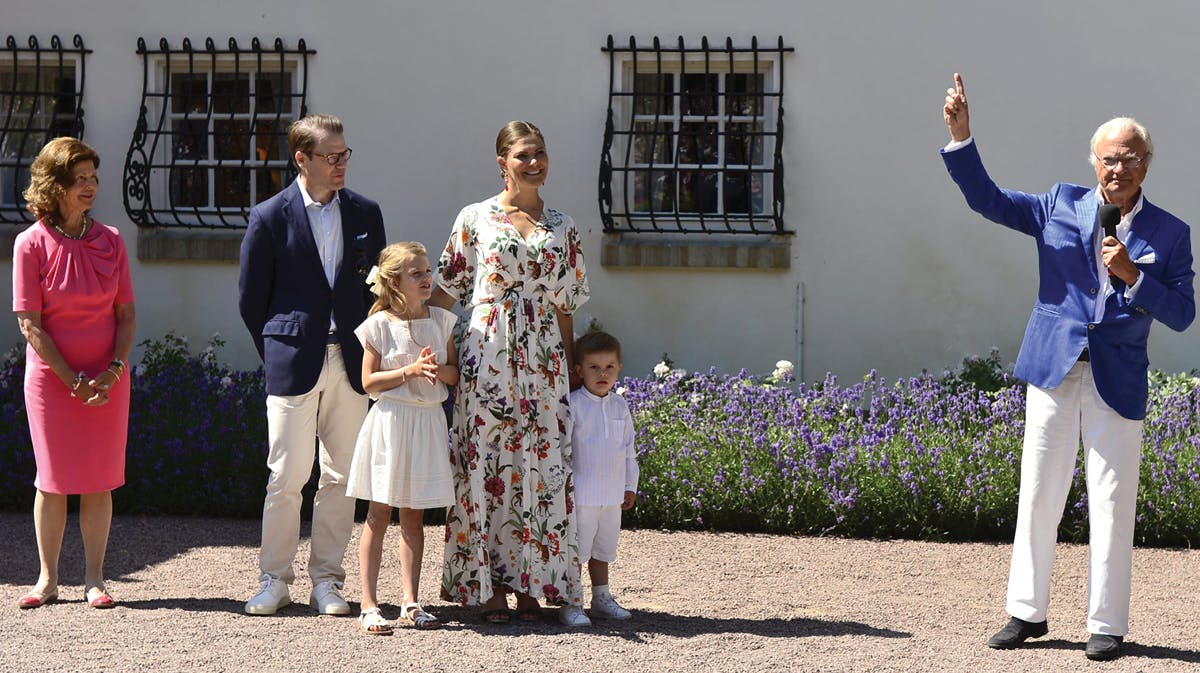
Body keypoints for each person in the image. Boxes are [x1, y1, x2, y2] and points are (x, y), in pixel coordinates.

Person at [941, 73, 1195, 661]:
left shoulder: (1172, 234)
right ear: (1094, 162)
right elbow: (991, 201)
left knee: (1112, 501)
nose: (1118, 169)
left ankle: (1106, 624)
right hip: (1055, 369)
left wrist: (1134, 275)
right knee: (1039, 494)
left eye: (1130, 159)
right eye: (1109, 159)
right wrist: (962, 139)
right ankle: (1025, 614)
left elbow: (1182, 313)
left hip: (1118, 377)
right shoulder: (1060, 204)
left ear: (1146, 166)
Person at [431, 120, 591, 626]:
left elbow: (567, 305)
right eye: (523, 155)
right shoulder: (474, 218)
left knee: (541, 469)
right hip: (487, 356)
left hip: (543, 359)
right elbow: (447, 289)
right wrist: (406, 331)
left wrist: (568, 370)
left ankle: (533, 584)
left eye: (540, 153)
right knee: (486, 465)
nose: (534, 163)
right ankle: (490, 586)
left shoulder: (563, 226)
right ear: (502, 163)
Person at [238, 113, 386, 616]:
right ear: (301, 159)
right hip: (292, 358)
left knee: (342, 475)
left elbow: (377, 291)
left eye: (345, 154)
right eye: (331, 156)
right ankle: (273, 579)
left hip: (351, 357)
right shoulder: (268, 216)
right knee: (286, 474)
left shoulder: (366, 212)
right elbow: (251, 300)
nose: (341, 163)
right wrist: (278, 350)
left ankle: (327, 581)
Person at [12, 137, 136, 609]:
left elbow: (125, 315)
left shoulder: (113, 240)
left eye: (93, 178)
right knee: (52, 478)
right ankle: (47, 579)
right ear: (54, 183)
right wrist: (74, 381)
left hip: (108, 382)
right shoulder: (30, 244)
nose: (90, 187)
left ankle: (95, 578)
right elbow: (30, 324)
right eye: (79, 179)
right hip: (51, 383)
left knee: (99, 478)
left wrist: (112, 372)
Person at [347, 242, 459, 635]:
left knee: (414, 516)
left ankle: (411, 603)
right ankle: (369, 603)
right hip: (391, 424)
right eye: (417, 273)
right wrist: (409, 371)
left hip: (427, 423)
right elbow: (367, 382)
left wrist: (436, 371)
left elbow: (454, 374)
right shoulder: (378, 326)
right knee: (379, 515)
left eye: (428, 271)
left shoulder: (443, 320)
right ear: (393, 281)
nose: (428, 278)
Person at [569, 330, 638, 620]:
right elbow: (563, 449)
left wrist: (629, 486)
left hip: (611, 495)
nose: (602, 373)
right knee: (577, 550)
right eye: (594, 367)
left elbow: (629, 450)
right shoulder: (573, 404)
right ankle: (571, 602)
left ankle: (601, 596)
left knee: (604, 547)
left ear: (619, 368)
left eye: (609, 366)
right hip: (582, 495)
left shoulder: (621, 406)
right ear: (579, 370)